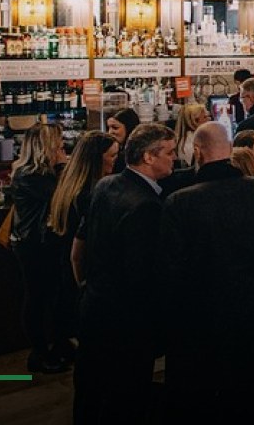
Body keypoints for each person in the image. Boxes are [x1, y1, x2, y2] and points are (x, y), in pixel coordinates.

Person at [160, 123, 254, 421]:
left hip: (202, 313)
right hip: (252, 305)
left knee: (207, 395)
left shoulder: (180, 201)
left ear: (197, 152)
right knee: (249, 388)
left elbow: (171, 267)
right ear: (229, 150)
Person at [75, 123, 177, 425]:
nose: (174, 158)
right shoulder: (146, 206)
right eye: (169, 153)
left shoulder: (106, 185)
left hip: (94, 309)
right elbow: (142, 276)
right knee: (125, 400)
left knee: (90, 393)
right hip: (126, 324)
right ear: (148, 156)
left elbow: (81, 248)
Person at [10, 123, 70, 373]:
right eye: (58, 142)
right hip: (33, 244)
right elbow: (61, 197)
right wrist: (64, 167)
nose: (62, 145)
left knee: (53, 295)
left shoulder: (39, 173)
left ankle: (58, 345)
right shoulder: (29, 176)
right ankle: (39, 353)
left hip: (44, 242)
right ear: (45, 147)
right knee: (37, 297)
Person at [48, 131, 118, 290]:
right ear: (97, 159)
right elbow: (79, 251)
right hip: (81, 269)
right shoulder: (88, 195)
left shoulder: (69, 186)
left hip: (64, 261)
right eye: (112, 155)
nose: (116, 160)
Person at [173, 103, 210, 168]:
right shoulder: (189, 145)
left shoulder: (196, 138)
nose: (209, 119)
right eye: (205, 117)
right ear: (194, 121)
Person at [105, 107, 140, 174]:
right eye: (108, 128)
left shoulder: (135, 156)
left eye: (115, 128)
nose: (110, 132)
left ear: (129, 128)